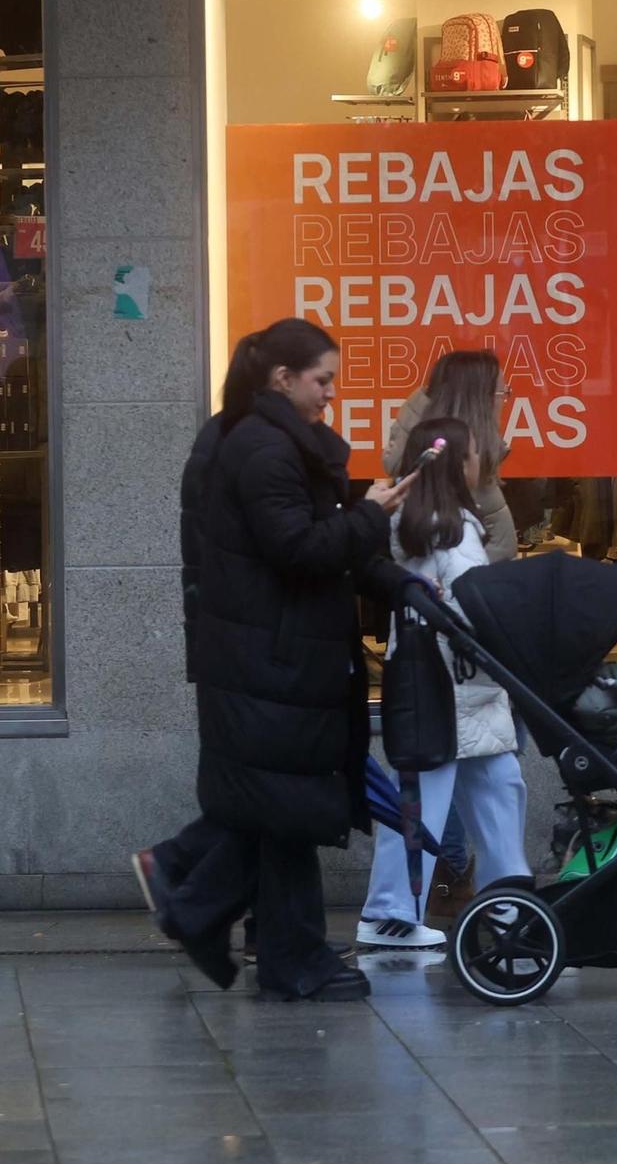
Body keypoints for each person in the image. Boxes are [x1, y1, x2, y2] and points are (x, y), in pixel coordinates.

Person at [132, 318, 415, 1001]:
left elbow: (316, 544)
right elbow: (302, 548)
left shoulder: (259, 440)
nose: (330, 397)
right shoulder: (264, 449)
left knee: (280, 809)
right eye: (322, 382)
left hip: (273, 655)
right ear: (283, 379)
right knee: (286, 808)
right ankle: (227, 917)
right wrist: (372, 514)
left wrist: (392, 574)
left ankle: (219, 908)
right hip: (274, 659)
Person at [358, 417, 532, 948]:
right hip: (455, 686)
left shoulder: (419, 520)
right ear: (459, 462)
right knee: (440, 798)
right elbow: (470, 603)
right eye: (477, 451)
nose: (484, 459)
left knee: (494, 792)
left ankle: (512, 911)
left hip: (448, 686)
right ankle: (392, 913)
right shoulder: (451, 526)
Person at [384, 351, 515, 563]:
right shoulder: (459, 464)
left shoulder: (450, 456)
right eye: (501, 393)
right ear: (479, 399)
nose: (502, 402)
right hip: (469, 586)